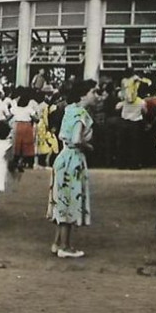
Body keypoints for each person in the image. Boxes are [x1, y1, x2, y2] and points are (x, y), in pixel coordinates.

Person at [47, 79, 98, 258]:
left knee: (62, 201)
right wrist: (88, 145)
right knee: (70, 201)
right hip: (74, 160)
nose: (96, 96)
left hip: (62, 157)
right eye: (94, 92)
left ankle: (57, 243)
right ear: (84, 94)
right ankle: (66, 247)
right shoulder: (81, 114)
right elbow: (76, 139)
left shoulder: (69, 109)